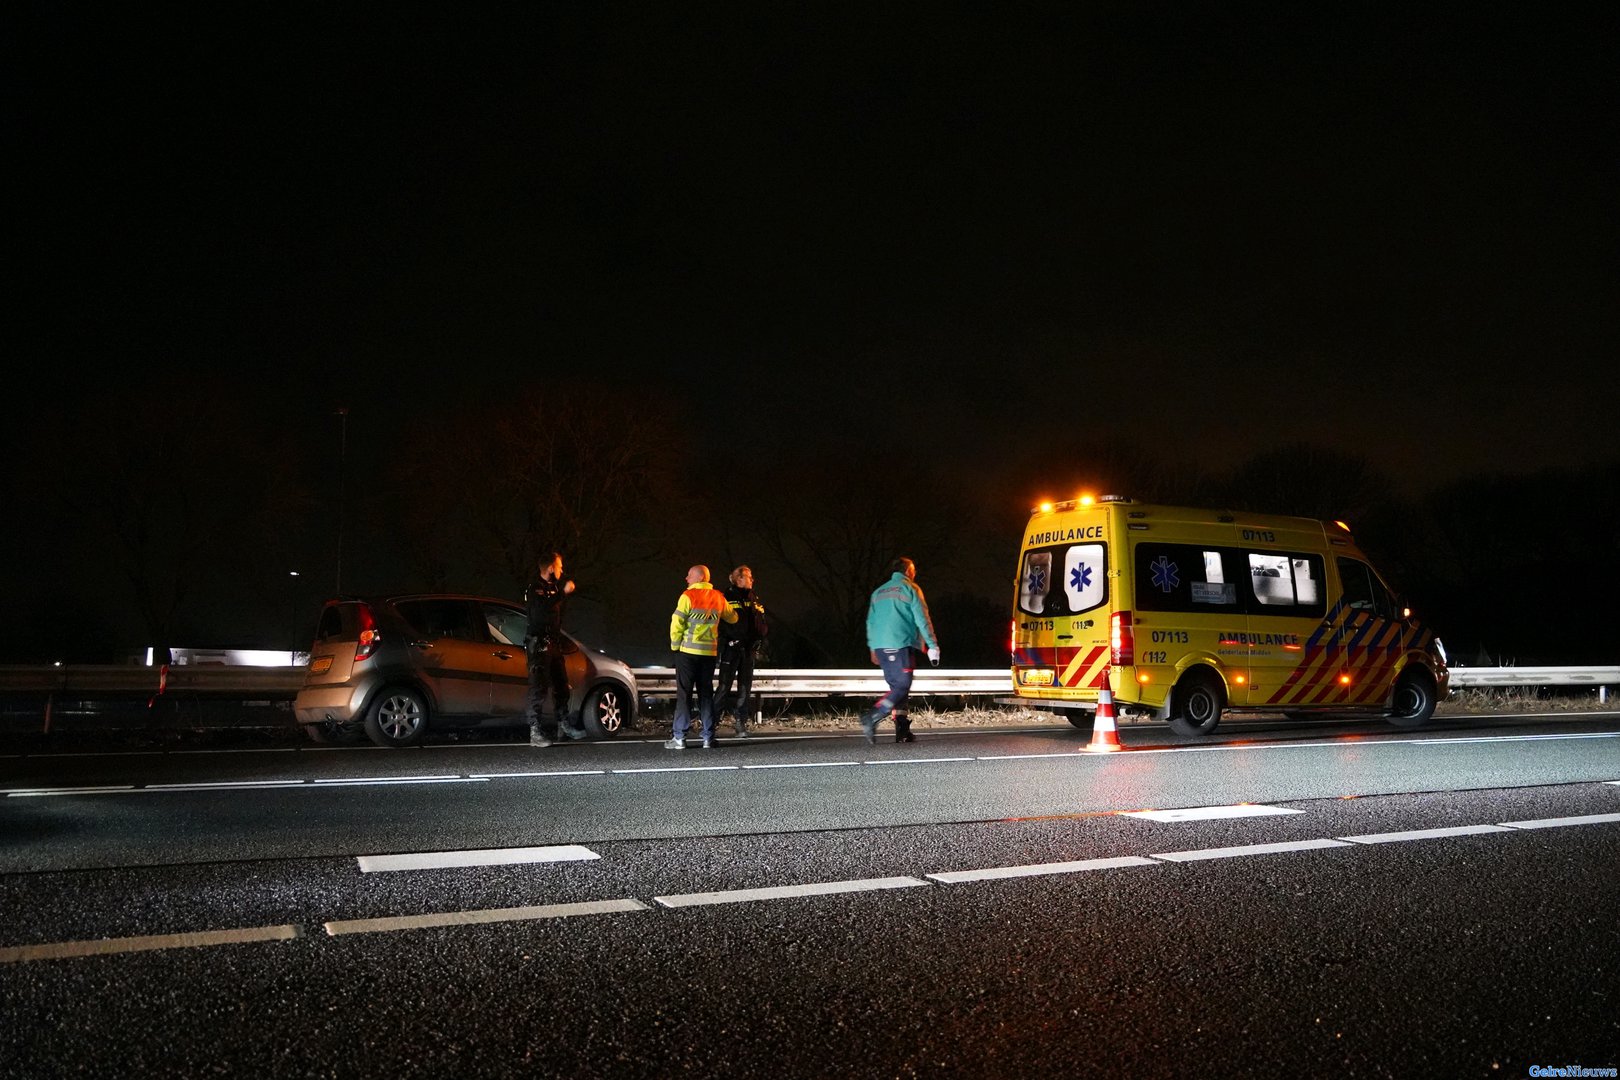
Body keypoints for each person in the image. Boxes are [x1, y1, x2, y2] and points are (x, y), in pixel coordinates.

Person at [859, 556, 940, 745]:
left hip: (881, 646)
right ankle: (873, 716)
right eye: (914, 570)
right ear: (908, 571)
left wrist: (872, 648)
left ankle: (902, 731)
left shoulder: (878, 592)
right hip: (900, 643)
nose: (915, 573)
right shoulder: (910, 588)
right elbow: (922, 618)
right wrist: (933, 645)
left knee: (898, 689)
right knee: (902, 685)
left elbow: (870, 622)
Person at [665, 564, 739, 750]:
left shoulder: (687, 596)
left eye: (689, 575)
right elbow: (733, 618)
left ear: (698, 578)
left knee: (684, 695)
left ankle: (680, 738)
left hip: (687, 653)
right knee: (706, 695)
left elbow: (677, 623)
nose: (686, 578)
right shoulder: (718, 597)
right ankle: (708, 737)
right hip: (708, 654)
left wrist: (675, 646)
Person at [525, 552, 586, 747]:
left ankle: (563, 725)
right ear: (551, 568)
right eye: (559, 566)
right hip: (539, 645)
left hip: (554, 643)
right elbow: (541, 611)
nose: (562, 570)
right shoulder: (535, 589)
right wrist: (562, 593)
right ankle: (535, 732)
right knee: (539, 688)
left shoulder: (553, 589)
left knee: (562, 686)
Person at [715, 565, 768, 738]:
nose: (752, 580)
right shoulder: (726, 596)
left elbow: (761, 622)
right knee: (724, 687)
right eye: (749, 577)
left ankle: (740, 725)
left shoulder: (754, 597)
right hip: (731, 649)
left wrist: (760, 638)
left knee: (745, 689)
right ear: (739, 579)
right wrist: (730, 640)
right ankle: (711, 724)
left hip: (748, 650)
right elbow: (721, 624)